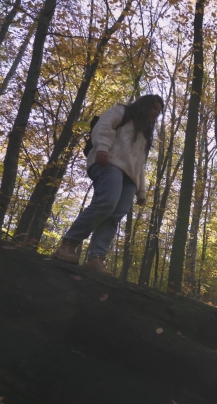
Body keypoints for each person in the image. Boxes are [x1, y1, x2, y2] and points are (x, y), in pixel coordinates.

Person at [53, 94, 164, 274]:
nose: (156, 113)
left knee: (115, 215)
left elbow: (139, 164)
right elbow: (103, 127)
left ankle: (96, 258)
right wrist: (103, 148)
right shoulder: (122, 112)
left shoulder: (145, 134)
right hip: (108, 162)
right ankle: (68, 245)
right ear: (144, 105)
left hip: (130, 179)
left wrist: (141, 192)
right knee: (106, 203)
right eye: (154, 108)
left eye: (159, 111)